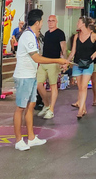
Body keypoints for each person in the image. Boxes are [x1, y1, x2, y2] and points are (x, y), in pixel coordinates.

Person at [12, 9, 70, 151]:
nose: (45, 23)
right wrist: (57, 60)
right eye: (43, 20)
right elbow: (36, 58)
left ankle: (31, 138)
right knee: (20, 108)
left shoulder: (33, 35)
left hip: (31, 75)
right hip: (24, 76)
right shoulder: (27, 36)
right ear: (37, 22)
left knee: (31, 105)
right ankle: (19, 140)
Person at [69, 16, 96, 118]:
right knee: (80, 87)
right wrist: (67, 62)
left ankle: (80, 110)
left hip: (88, 63)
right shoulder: (76, 36)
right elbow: (73, 52)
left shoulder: (92, 35)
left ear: (83, 24)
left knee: (84, 86)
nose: (77, 23)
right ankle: (83, 107)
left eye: (79, 22)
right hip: (77, 63)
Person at [36, 14, 66, 120]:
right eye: (49, 21)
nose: (50, 22)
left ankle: (51, 110)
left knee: (53, 85)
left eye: (52, 21)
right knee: (38, 84)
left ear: (56, 22)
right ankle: (46, 105)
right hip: (44, 61)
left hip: (54, 62)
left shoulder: (60, 33)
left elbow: (63, 48)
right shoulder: (47, 34)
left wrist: (64, 62)